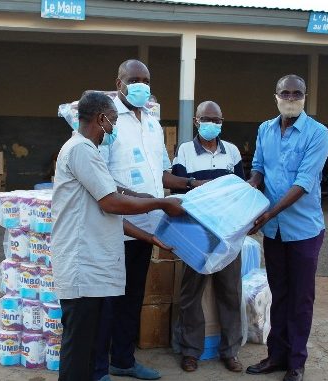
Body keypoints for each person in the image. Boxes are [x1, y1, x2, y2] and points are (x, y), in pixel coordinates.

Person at [51, 91, 185, 381]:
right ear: (101, 119)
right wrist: (161, 203)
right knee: (78, 350)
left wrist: (149, 238)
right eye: (112, 122)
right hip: (81, 266)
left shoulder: (88, 151)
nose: (112, 129)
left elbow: (109, 213)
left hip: (92, 266)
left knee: (88, 349)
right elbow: (110, 202)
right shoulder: (81, 150)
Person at [94, 59, 206, 381]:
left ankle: (124, 361)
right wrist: (153, 201)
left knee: (133, 298)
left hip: (148, 228)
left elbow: (161, 175)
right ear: (119, 83)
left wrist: (192, 187)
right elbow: (99, 178)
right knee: (108, 299)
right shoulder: (108, 120)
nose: (141, 84)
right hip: (116, 226)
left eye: (146, 79)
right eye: (134, 79)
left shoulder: (153, 125)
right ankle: (100, 365)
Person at [245, 74, 328, 381]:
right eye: (286, 93)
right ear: (276, 95)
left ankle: (296, 361)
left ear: (305, 97)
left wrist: (268, 213)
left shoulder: (318, 134)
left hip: (304, 230)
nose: (291, 98)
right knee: (279, 294)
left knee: (300, 298)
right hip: (275, 232)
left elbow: (304, 183)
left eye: (297, 93)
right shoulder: (265, 129)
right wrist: (251, 186)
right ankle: (276, 356)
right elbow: (258, 167)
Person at [171, 101, 245, 373]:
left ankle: (230, 351)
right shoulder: (185, 151)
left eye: (216, 119)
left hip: (227, 233)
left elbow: (240, 190)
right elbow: (179, 191)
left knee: (230, 292)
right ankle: (191, 352)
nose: (211, 123)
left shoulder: (232, 152)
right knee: (191, 294)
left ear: (222, 121)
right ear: (196, 120)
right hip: (198, 232)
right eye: (206, 119)